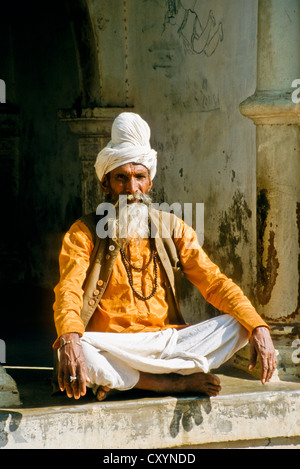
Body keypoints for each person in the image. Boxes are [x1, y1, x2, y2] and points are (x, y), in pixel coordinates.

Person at [53, 112, 277, 401]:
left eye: (139, 177)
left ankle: (129, 380)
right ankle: (168, 383)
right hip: (113, 345)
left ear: (149, 182)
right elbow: (67, 291)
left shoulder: (173, 228)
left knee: (240, 325)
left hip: (166, 340)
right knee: (75, 350)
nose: (131, 189)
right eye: (121, 178)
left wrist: (258, 326)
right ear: (105, 183)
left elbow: (214, 281)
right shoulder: (84, 231)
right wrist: (70, 338)